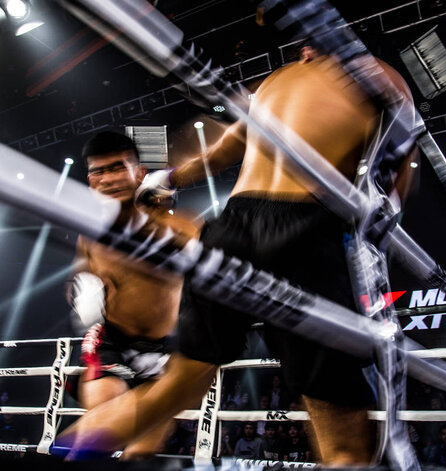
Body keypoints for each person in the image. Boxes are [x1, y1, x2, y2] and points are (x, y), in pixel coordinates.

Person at [60, 45, 417, 466]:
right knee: (342, 432)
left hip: (234, 223)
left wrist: (168, 178)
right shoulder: (384, 80)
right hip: (307, 228)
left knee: (172, 389)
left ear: (309, 50)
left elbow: (221, 152)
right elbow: (395, 185)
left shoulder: (274, 82)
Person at [67, 131, 199, 459]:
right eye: (99, 171)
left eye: (117, 168)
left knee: (143, 450)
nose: (109, 179)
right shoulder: (89, 231)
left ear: (139, 173)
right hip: (110, 339)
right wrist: (81, 291)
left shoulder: (182, 227)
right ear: (89, 180)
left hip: (165, 348)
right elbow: (79, 274)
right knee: (97, 438)